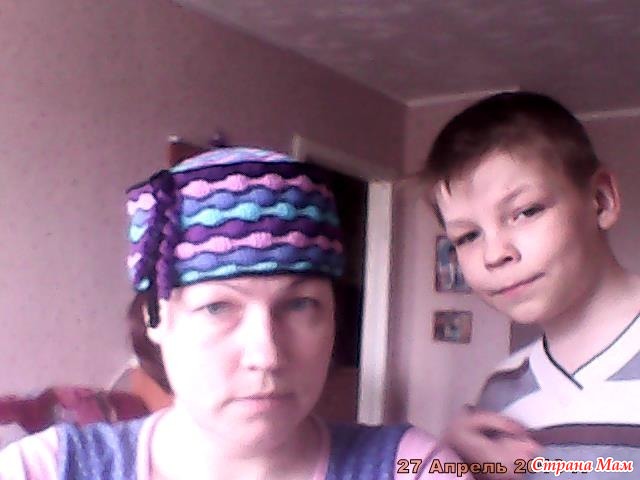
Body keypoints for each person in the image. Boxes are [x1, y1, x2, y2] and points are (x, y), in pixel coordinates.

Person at [0, 147, 469, 479]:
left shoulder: (414, 468)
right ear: (154, 319)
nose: (267, 356)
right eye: (217, 306)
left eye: (300, 304)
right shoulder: (42, 470)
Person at [423, 92, 640, 477]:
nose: (494, 254)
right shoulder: (498, 395)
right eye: (468, 236)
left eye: (525, 212)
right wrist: (451, 463)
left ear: (601, 200)